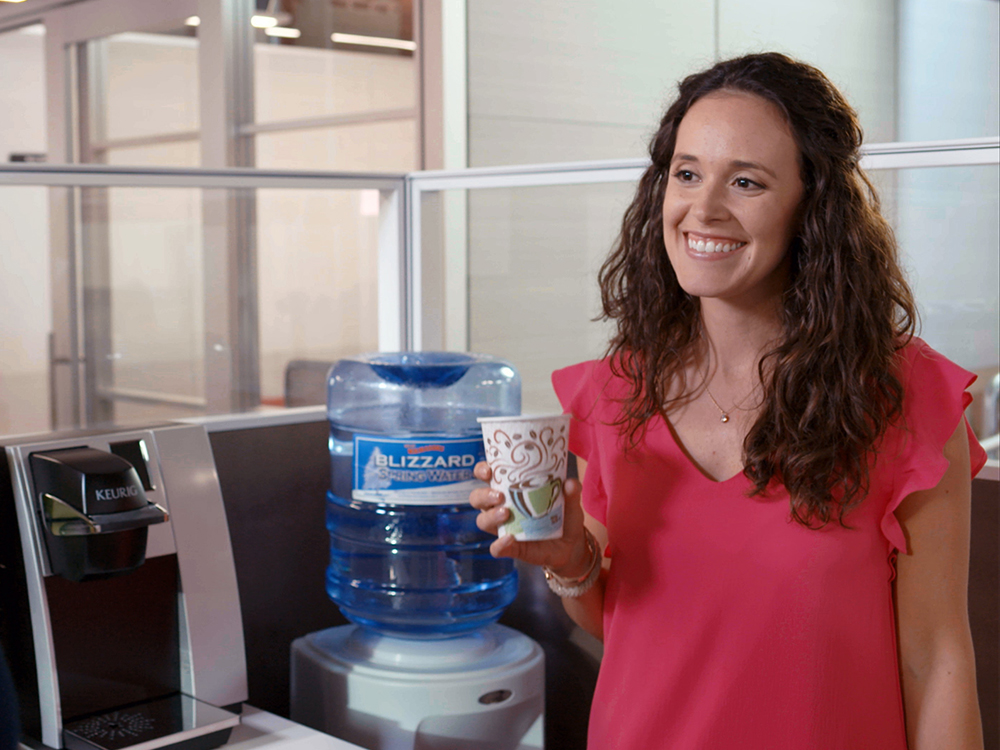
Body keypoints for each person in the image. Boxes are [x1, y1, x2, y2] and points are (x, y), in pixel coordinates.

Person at [470, 52, 988, 749]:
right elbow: (621, 620)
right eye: (687, 173)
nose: (703, 209)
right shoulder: (615, 393)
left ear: (814, 205)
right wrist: (568, 557)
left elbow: (937, 660)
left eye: (746, 181)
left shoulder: (903, 400)